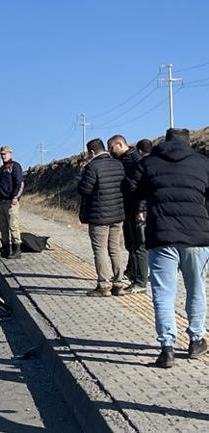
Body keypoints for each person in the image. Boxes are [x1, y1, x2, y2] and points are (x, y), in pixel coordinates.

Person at [130, 128, 209, 368]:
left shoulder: (149, 162)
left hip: (162, 236)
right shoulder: (202, 163)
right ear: (188, 142)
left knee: (163, 294)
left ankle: (167, 349)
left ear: (165, 141)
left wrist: (143, 207)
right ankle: (196, 340)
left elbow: (131, 189)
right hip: (197, 237)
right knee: (196, 289)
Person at [77, 138, 127, 297]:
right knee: (115, 249)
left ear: (92, 152)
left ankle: (104, 285)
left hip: (98, 216)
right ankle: (119, 284)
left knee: (100, 249)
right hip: (117, 214)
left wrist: (80, 175)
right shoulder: (118, 164)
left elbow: (85, 189)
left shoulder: (92, 167)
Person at [108, 135, 148, 294]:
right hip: (128, 208)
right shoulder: (124, 159)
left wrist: (140, 209)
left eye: (112, 147)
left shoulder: (135, 160)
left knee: (139, 245)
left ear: (120, 144)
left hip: (137, 209)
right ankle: (132, 272)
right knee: (130, 244)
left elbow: (142, 187)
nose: (110, 151)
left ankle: (141, 281)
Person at [0, 145, 23, 259]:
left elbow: (20, 183)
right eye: (1, 154)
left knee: (13, 226)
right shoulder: (1, 169)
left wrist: (15, 197)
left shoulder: (15, 166)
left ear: (10, 153)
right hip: (1, 202)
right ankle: (6, 250)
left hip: (11, 202)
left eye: (5, 154)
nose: (3, 156)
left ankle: (17, 250)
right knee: (3, 227)